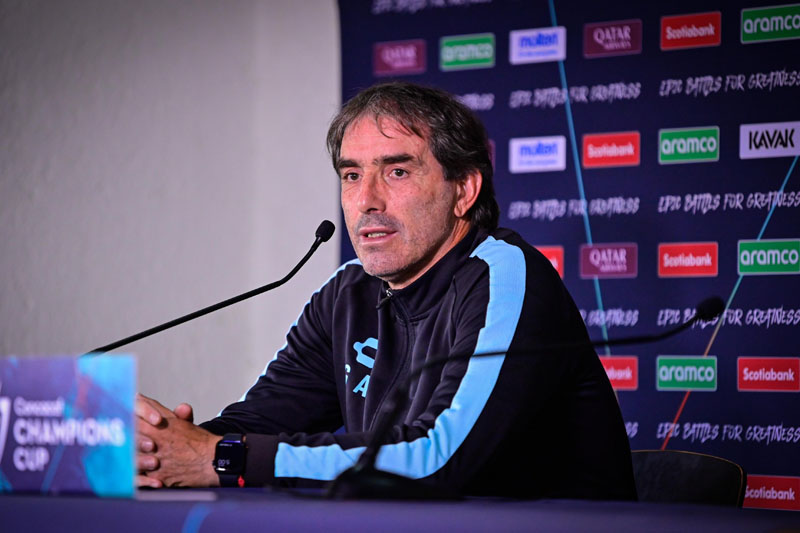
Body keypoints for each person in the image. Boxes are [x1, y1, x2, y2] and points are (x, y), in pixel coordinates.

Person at [136, 82, 637, 499]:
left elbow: (440, 458)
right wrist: (163, 449)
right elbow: (264, 417)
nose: (366, 200)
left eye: (397, 171)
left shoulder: (506, 275)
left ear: (464, 190)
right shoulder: (348, 292)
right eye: (352, 175)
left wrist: (219, 457)